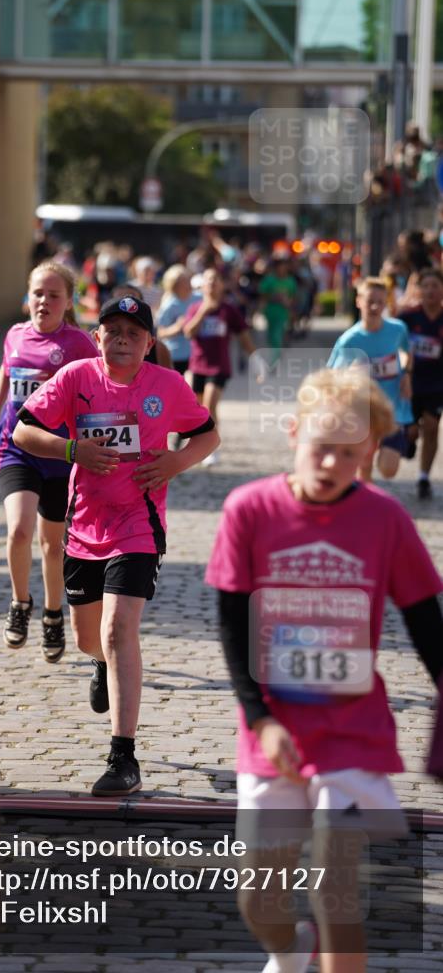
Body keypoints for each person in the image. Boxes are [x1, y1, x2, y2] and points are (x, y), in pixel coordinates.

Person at [206, 367, 443, 973]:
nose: (331, 462)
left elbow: (425, 622)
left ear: (368, 452)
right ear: (293, 433)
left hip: (352, 728)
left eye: (348, 451)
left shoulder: (385, 519)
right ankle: (289, 952)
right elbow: (232, 626)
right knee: (260, 897)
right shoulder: (249, 509)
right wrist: (260, 720)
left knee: (336, 892)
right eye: (321, 446)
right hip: (274, 729)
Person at [12, 294, 219, 795]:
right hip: (83, 526)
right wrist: (72, 449)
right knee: (91, 639)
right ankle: (101, 663)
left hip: (138, 525)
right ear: (97, 336)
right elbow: (22, 432)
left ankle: (123, 756)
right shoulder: (76, 378)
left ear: (149, 343)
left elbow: (208, 436)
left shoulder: (167, 386)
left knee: (119, 625)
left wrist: (174, 462)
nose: (122, 339)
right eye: (113, 331)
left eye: (134, 333)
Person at [0, 261, 98, 663]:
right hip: (15, 447)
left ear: (68, 302)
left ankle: (52, 613)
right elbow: (5, 368)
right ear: (26, 297)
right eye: (38, 294)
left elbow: (96, 387)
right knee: (18, 530)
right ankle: (19, 602)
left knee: (53, 545)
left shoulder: (80, 344)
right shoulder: (15, 334)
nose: (44, 301)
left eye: (53, 295)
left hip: (59, 455)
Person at [328, 277, 414, 481]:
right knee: (364, 465)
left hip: (393, 409)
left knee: (388, 468)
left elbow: (406, 352)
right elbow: (332, 377)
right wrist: (351, 375)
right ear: (359, 301)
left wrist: (407, 375)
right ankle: (366, 506)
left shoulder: (397, 329)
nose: (375, 306)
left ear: (386, 304)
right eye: (370, 301)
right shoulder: (349, 340)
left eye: (380, 302)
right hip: (362, 411)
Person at [183, 267, 257, 465]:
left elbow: (243, 337)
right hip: (197, 365)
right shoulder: (194, 308)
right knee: (198, 409)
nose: (211, 284)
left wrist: (257, 359)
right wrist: (203, 311)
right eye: (208, 280)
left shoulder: (228, 310)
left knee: (210, 405)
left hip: (219, 367)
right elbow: (188, 332)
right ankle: (200, 444)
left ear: (222, 285)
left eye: (215, 280)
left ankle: (212, 449)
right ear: (203, 285)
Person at [400, 268, 443, 499]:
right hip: (410, 382)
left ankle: (424, 477)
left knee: (432, 427)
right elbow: (393, 341)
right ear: (419, 290)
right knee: (412, 432)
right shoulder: (408, 317)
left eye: (435, 286)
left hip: (437, 384)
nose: (430, 291)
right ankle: (409, 439)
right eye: (425, 286)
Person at [259, 257, 297, 367]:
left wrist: (291, 309)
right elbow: (263, 294)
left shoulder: (290, 281)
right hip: (270, 311)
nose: (282, 269)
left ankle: (274, 360)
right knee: (271, 336)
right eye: (280, 267)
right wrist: (274, 298)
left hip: (283, 313)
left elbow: (293, 297)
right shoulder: (269, 280)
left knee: (277, 336)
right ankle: (275, 353)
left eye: (284, 267)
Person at [156, 265, 192, 376]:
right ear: (174, 285)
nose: (187, 284)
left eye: (187, 280)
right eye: (183, 281)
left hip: (195, 354)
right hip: (175, 355)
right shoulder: (169, 305)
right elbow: (160, 333)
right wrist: (177, 327)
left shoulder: (197, 298)